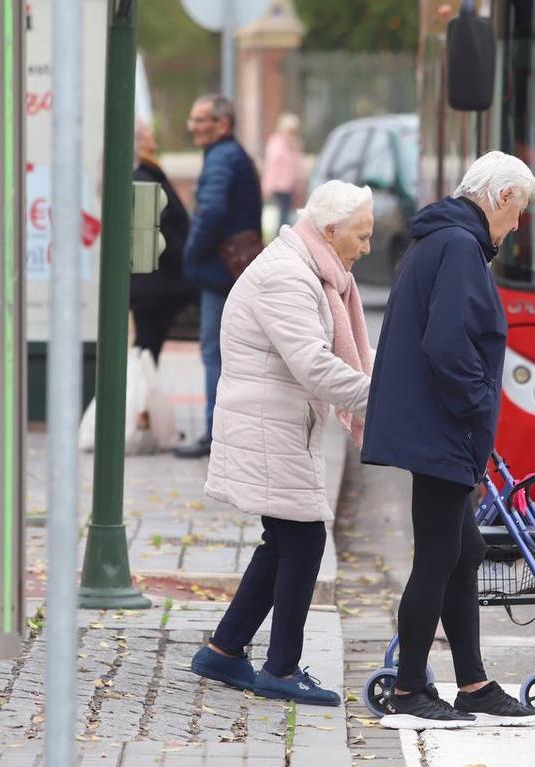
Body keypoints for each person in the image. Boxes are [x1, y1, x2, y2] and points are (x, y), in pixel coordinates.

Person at [361, 152, 535, 729]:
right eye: (519, 213)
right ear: (503, 198)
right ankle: (411, 687)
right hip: (443, 427)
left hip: (433, 425)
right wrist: (475, 412)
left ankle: (474, 684)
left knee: (463, 554)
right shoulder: (461, 247)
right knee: (441, 556)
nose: (517, 227)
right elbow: (448, 345)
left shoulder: (441, 239)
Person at [191, 180, 376, 704]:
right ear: (331, 229)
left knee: (284, 538)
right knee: (303, 538)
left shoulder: (312, 270)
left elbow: (339, 359)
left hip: (280, 421)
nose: (366, 248)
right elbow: (316, 366)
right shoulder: (288, 276)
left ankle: (225, 651)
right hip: (270, 423)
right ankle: (281, 669)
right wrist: (386, 399)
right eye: (361, 237)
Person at [176, 94, 263, 458]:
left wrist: (190, 256)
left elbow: (210, 212)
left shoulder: (221, 158)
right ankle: (231, 431)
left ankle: (215, 433)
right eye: (192, 120)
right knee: (233, 352)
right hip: (235, 269)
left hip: (220, 272)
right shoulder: (231, 155)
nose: (192, 126)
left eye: (201, 120)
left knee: (214, 352)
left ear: (222, 124)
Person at [129, 121, 195, 362]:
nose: (153, 140)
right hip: (156, 281)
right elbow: (161, 226)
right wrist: (185, 259)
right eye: (148, 135)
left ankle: (139, 393)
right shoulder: (144, 177)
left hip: (154, 282)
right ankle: (136, 396)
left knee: (146, 348)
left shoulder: (147, 173)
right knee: (146, 349)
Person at [263, 112, 303, 229]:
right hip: (279, 185)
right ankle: (280, 235)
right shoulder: (277, 142)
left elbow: (297, 166)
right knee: (283, 213)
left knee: (288, 213)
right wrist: (267, 185)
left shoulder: (295, 144)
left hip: (291, 185)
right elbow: (272, 164)